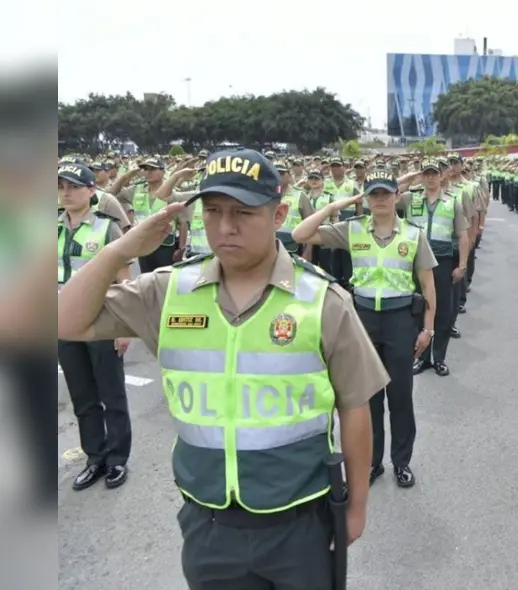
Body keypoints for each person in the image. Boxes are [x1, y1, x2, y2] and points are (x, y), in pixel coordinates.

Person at [57, 149, 384, 590]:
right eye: (213, 212)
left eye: (243, 212)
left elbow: (355, 408)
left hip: (300, 520)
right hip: (208, 523)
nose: (226, 227)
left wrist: (356, 506)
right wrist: (123, 248)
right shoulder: (168, 292)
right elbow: (64, 321)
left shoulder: (321, 300)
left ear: (278, 214)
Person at [293, 168, 437, 488]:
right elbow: (300, 235)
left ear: (397, 196)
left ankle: (401, 461)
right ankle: (373, 463)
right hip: (364, 319)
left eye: (387, 193)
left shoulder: (413, 234)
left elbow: (428, 286)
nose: (381, 199)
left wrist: (428, 330)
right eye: (374, 194)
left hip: (401, 320)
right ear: (366, 199)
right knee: (367, 397)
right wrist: (333, 208)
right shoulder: (351, 229)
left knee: (400, 396)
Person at [57, 162, 133, 491]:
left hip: (102, 322)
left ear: (91, 191)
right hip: (63, 324)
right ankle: (95, 457)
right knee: (83, 397)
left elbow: (126, 279)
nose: (66, 192)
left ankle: (117, 460)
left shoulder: (106, 228)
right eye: (61, 186)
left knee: (111, 394)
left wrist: (124, 327)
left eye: (73, 186)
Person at [397, 159, 470, 376]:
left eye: (433, 173)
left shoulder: (452, 202)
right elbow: (390, 189)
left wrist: (463, 265)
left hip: (442, 261)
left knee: (443, 312)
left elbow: (463, 236)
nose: (429, 178)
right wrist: (410, 177)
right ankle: (422, 357)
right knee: (418, 309)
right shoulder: (410, 198)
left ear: (441, 176)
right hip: (415, 261)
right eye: (425, 173)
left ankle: (439, 358)